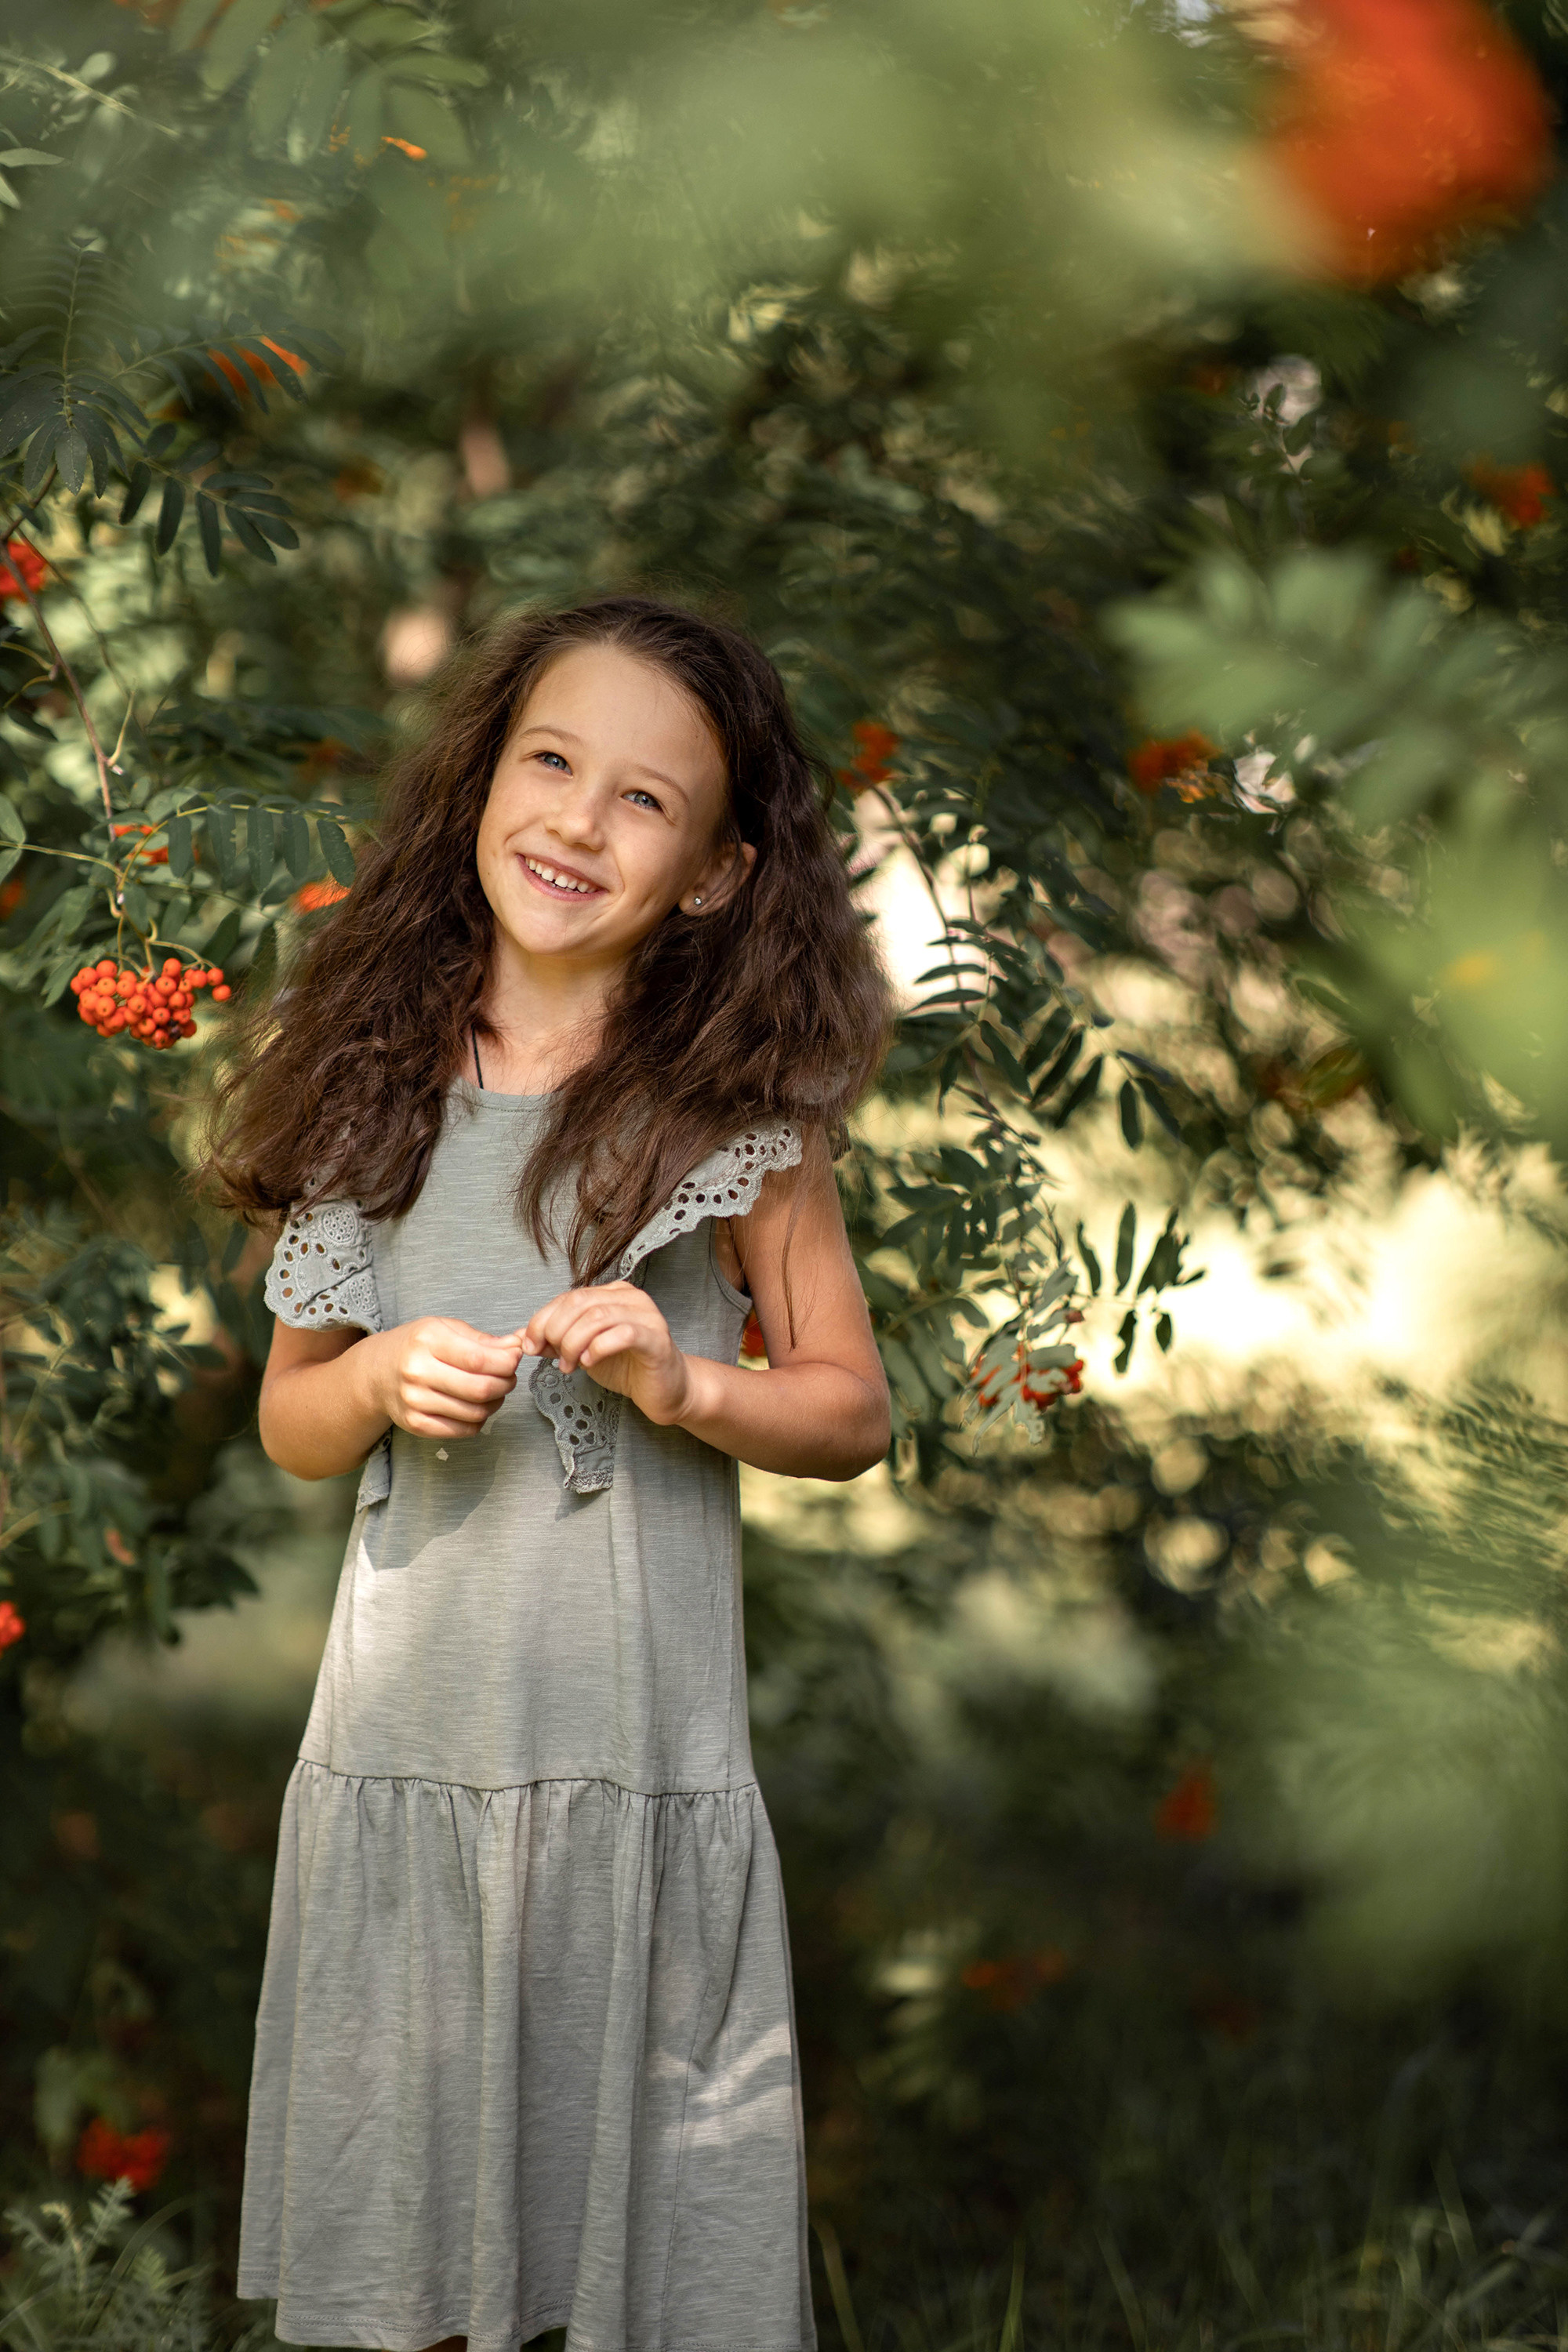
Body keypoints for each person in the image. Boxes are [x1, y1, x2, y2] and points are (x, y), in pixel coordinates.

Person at [208, 596, 892, 2352]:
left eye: (644, 802)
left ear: (724, 871)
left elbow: (846, 1411)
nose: (579, 823)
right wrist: (367, 1374)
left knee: (628, 2277)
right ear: (485, 779)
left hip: (632, 1762)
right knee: (414, 2262)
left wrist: (686, 1383)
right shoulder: (374, 1084)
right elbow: (291, 1425)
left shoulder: (737, 1112)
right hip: (410, 1762)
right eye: (552, 763)